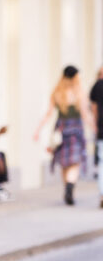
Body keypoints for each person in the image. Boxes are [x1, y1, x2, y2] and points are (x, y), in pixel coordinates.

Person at [33, 65, 93, 205]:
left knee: (65, 162)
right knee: (75, 162)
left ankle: (67, 186)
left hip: (61, 130)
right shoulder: (79, 93)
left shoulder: (57, 92)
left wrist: (38, 130)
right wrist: (94, 128)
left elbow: (48, 114)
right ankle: (70, 187)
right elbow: (85, 115)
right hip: (76, 131)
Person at [90, 65, 103, 209]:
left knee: (102, 164)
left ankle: (102, 194)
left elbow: (93, 109)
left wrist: (95, 125)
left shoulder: (96, 87)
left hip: (101, 130)